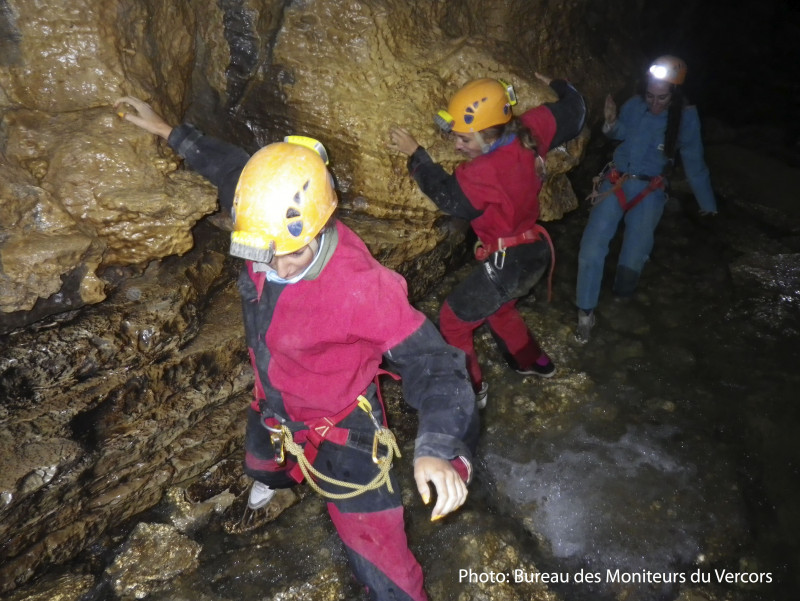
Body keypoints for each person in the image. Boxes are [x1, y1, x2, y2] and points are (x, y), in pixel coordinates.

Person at [114, 95, 478, 601]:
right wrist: (166, 129)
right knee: (261, 461)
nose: (278, 269)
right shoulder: (266, 219)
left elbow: (437, 366)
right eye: (264, 256)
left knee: (381, 560)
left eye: (291, 254)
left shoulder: (362, 290)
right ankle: (271, 487)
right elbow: (233, 169)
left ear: (320, 224)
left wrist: (438, 450)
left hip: (340, 427)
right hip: (272, 398)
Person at [387, 73, 585, 409]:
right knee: (500, 309)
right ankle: (533, 363)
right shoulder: (531, 128)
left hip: (508, 264)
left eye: (464, 139)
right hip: (532, 253)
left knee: (453, 319)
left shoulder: (484, 172)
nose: (457, 145)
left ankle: (471, 389)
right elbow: (576, 111)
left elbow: (450, 199)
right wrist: (560, 84)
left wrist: (416, 155)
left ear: (487, 134)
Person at [575, 55, 718, 343]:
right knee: (592, 248)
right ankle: (585, 314)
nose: (654, 103)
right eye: (650, 96)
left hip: (649, 190)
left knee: (635, 253)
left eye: (662, 98)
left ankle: (620, 302)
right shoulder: (634, 105)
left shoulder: (686, 117)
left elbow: (694, 160)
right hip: (615, 181)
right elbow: (621, 134)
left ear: (674, 94)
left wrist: (707, 204)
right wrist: (611, 124)